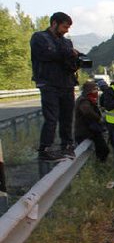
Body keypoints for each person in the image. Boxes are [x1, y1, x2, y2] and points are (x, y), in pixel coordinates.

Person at [30, 11, 81, 162]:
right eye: (65, 27)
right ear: (54, 23)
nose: (66, 31)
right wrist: (67, 53)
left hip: (66, 83)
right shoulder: (39, 38)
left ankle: (67, 145)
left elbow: (65, 59)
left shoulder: (66, 42)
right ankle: (45, 149)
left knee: (66, 116)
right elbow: (46, 55)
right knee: (51, 118)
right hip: (49, 83)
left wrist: (75, 61)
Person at [73, 80, 109, 163]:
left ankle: (100, 164)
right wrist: (98, 119)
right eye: (95, 89)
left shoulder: (89, 99)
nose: (96, 91)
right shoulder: (84, 100)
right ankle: (100, 165)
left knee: (102, 149)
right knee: (102, 150)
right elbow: (87, 111)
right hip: (86, 131)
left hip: (91, 130)